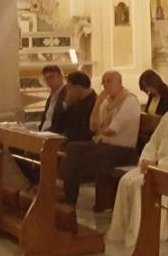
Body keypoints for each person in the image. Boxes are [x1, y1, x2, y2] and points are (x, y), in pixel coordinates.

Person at [107, 77, 168, 247]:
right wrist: (147, 159)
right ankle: (122, 231)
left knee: (140, 185)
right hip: (155, 164)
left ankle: (142, 233)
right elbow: (154, 142)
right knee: (126, 181)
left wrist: (159, 164)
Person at [58, 71, 141, 207]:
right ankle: (68, 198)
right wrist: (98, 103)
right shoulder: (107, 101)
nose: (105, 85)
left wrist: (98, 132)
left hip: (123, 151)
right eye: (103, 82)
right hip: (106, 146)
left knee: (76, 154)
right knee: (73, 148)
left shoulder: (129, 101)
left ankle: (64, 190)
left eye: (109, 81)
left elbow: (112, 130)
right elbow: (93, 126)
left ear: (119, 83)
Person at [51, 71, 96, 142]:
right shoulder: (74, 101)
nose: (67, 92)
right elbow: (58, 125)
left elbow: (83, 130)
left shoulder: (94, 103)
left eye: (69, 88)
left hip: (79, 144)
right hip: (66, 140)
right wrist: (66, 105)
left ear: (78, 88)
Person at [38, 65, 66, 133]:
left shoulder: (67, 94)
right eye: (46, 78)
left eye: (52, 77)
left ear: (61, 77)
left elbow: (62, 120)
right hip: (44, 133)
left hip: (56, 134)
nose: (49, 80)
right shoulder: (51, 96)